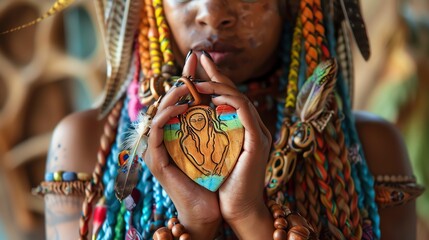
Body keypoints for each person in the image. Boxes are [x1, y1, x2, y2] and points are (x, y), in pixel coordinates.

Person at [34, 0, 424, 239]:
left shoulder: (374, 149)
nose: (212, 13)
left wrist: (248, 214)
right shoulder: (84, 146)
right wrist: (196, 223)